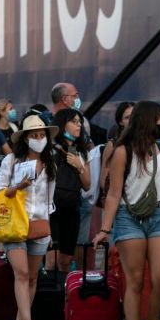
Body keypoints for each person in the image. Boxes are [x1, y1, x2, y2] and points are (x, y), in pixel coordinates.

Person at [92, 101, 160, 320]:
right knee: (135, 281)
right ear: (148, 120)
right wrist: (105, 229)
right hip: (129, 218)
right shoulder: (122, 151)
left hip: (159, 215)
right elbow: (114, 194)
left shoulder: (159, 148)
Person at [0, 114, 58, 320]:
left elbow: (49, 201)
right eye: (34, 135)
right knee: (22, 273)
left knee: (31, 278)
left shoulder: (50, 164)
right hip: (14, 224)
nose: (39, 139)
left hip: (39, 224)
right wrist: (18, 187)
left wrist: (49, 230)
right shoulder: (11, 162)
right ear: (25, 139)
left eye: (42, 135)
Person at [46, 109, 91, 272]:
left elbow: (87, 185)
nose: (79, 125)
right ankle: (47, 294)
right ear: (62, 124)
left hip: (72, 209)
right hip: (51, 209)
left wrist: (80, 167)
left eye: (80, 122)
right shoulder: (50, 148)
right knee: (51, 260)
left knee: (65, 261)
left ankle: (63, 295)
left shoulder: (80, 151)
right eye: (74, 122)